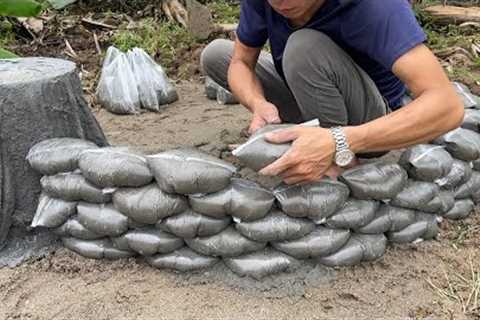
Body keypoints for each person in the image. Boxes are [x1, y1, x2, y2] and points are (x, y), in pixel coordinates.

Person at [200, 0, 464, 185]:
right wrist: (258, 103)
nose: (279, 1)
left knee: (303, 47)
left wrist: (340, 140)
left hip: (367, 116)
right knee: (216, 54)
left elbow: (447, 106)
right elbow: (240, 63)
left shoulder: (375, 7)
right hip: (308, 87)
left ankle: (336, 157)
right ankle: (309, 134)